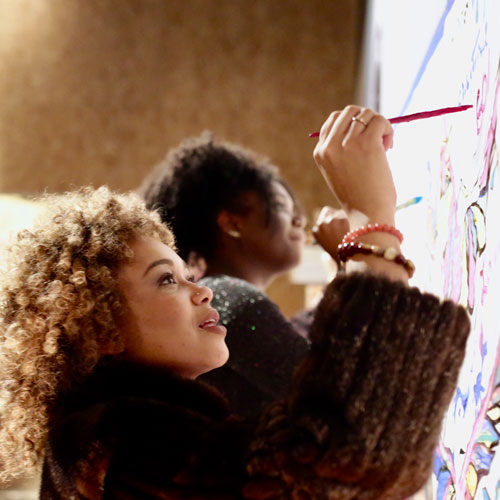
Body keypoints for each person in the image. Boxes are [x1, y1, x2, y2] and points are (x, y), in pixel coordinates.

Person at [0, 106, 470, 500]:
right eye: (167, 280)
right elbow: (345, 457)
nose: (202, 290)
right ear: (100, 328)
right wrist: (371, 221)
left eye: (187, 274)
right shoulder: (119, 446)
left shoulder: (100, 433)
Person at [140, 133, 346, 415]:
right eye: (283, 208)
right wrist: (358, 249)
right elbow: (341, 394)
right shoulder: (229, 300)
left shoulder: (225, 300)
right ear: (233, 223)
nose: (300, 219)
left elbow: (301, 335)